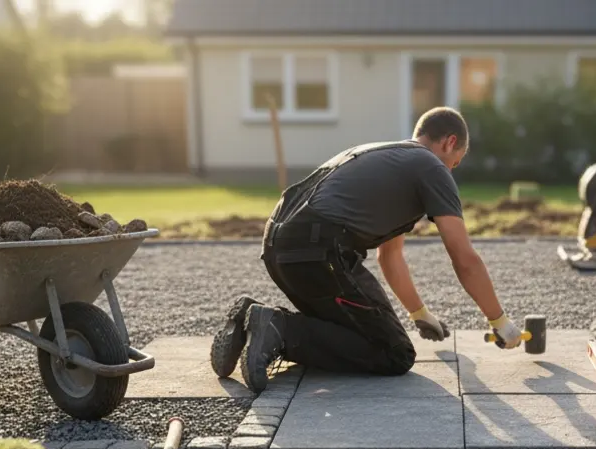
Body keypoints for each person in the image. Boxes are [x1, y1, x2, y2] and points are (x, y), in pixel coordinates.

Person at [209, 106, 526, 392]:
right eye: (455, 162)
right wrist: (501, 323)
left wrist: (420, 314)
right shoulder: (431, 167)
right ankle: (278, 329)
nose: (451, 172)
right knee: (394, 353)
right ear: (449, 142)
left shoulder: (388, 158)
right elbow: (464, 257)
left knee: (352, 329)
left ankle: (247, 318)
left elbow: (390, 256)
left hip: (280, 246)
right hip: (318, 252)